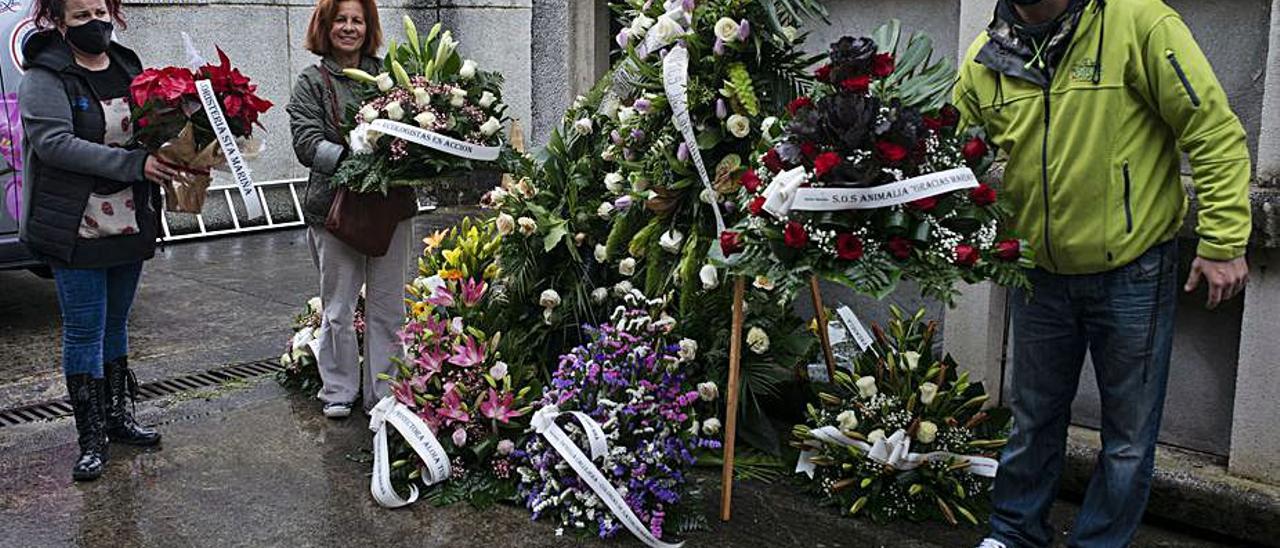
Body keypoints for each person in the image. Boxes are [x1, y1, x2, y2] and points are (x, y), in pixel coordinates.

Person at [954, 0, 1252, 546]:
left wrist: (1224, 240)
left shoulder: (1139, 22)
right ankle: (1015, 533)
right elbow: (947, 157)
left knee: (1129, 437)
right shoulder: (986, 55)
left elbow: (1211, 130)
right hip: (1038, 272)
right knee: (1032, 420)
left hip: (1133, 269)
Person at [19, 0, 174, 481]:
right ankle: (90, 438)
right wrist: (135, 164)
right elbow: (55, 145)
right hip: (76, 223)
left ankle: (117, 418)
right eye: (81, 16)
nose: (95, 23)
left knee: (117, 323)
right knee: (84, 329)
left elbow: (152, 127)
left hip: (130, 216)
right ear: (58, 20)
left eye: (99, 11)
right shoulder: (44, 76)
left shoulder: (128, 65)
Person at [289, 0, 415, 419]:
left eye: (357, 20)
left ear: (369, 26)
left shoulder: (392, 77)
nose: (349, 28)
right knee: (339, 309)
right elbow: (306, 142)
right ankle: (339, 391)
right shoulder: (311, 81)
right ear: (325, 26)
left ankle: (385, 396)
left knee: (389, 306)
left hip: (390, 208)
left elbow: (417, 131)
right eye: (340, 20)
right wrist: (356, 160)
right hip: (335, 211)